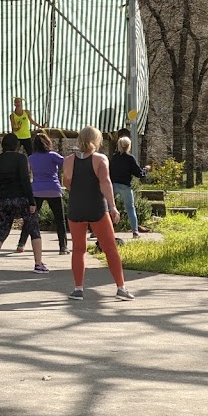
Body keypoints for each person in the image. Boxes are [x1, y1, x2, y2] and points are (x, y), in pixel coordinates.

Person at [64, 126, 134, 301]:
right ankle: (121, 288)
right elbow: (105, 183)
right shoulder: (100, 159)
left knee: (78, 250)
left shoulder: (68, 160)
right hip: (96, 207)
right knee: (110, 249)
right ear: (97, 140)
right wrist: (113, 206)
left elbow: (67, 184)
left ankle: (78, 289)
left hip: (76, 208)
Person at [0, 134, 47, 273]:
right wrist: (32, 201)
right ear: (17, 146)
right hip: (22, 198)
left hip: (5, 199)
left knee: (2, 231)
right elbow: (25, 180)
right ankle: (38, 264)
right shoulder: (21, 158)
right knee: (34, 229)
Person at [15, 132, 69, 255]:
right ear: (48, 142)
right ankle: (63, 247)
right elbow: (66, 164)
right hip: (53, 189)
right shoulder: (53, 156)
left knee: (30, 218)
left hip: (37, 190)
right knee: (60, 220)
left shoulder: (31, 158)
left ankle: (21, 244)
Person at [109, 136, 148, 240]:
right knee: (130, 209)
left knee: (109, 208)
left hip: (113, 184)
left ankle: (103, 230)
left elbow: (110, 170)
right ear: (128, 146)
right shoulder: (130, 158)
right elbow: (139, 173)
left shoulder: (114, 157)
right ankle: (135, 232)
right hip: (125, 186)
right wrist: (145, 170)